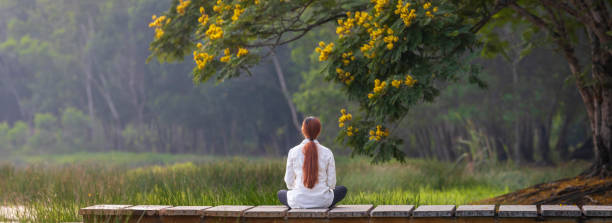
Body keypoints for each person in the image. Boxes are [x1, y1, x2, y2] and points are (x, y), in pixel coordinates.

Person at [278, 116, 347, 209]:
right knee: (342, 189)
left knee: (280, 193)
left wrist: (300, 189)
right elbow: (332, 184)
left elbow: (289, 183)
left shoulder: (293, 151)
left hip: (298, 201)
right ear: (319, 131)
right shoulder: (327, 152)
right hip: (323, 201)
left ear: (303, 130)